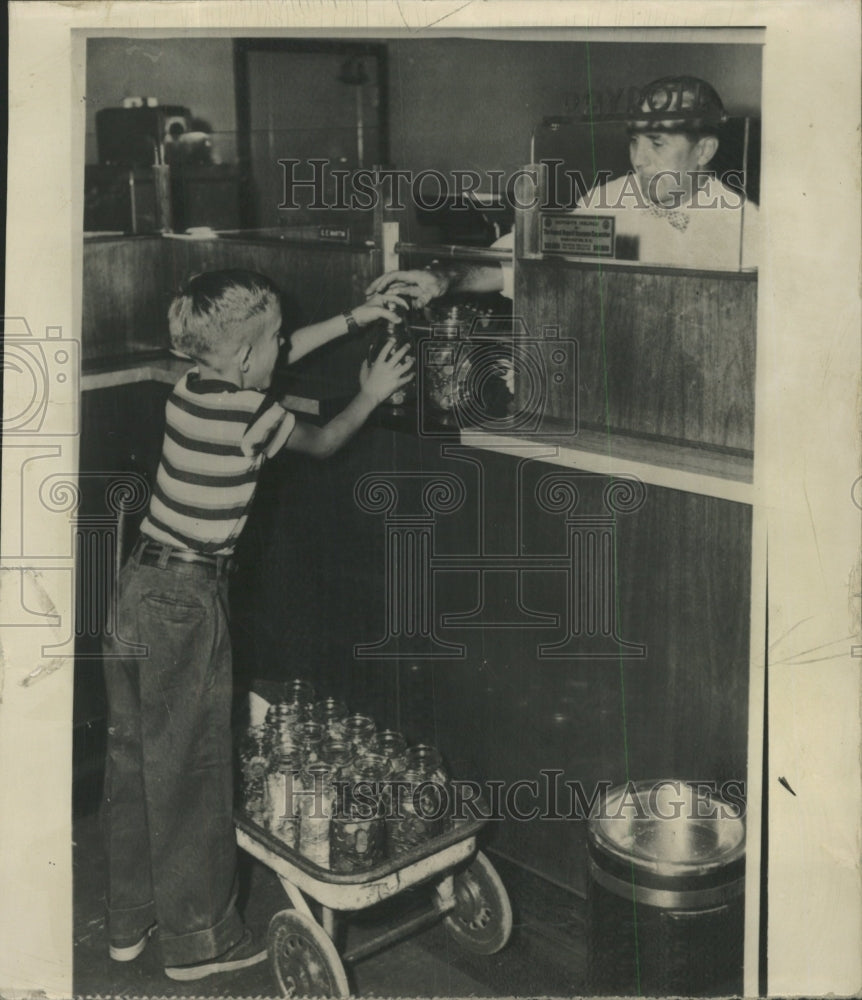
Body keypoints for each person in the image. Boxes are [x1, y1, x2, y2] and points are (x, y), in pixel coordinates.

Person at [100, 269, 412, 982]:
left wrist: (356, 314)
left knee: (134, 761)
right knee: (191, 771)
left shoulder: (194, 387)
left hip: (137, 585)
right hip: (186, 601)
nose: (283, 346)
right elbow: (328, 439)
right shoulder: (253, 416)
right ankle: (199, 943)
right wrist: (370, 390)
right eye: (272, 340)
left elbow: (279, 351)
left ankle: (128, 921)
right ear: (245, 359)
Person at [365, 75, 758, 305]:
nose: (639, 159)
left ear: (704, 150)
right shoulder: (610, 198)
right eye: (634, 141)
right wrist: (445, 277)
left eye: (656, 144)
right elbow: (528, 258)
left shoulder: (745, 225)